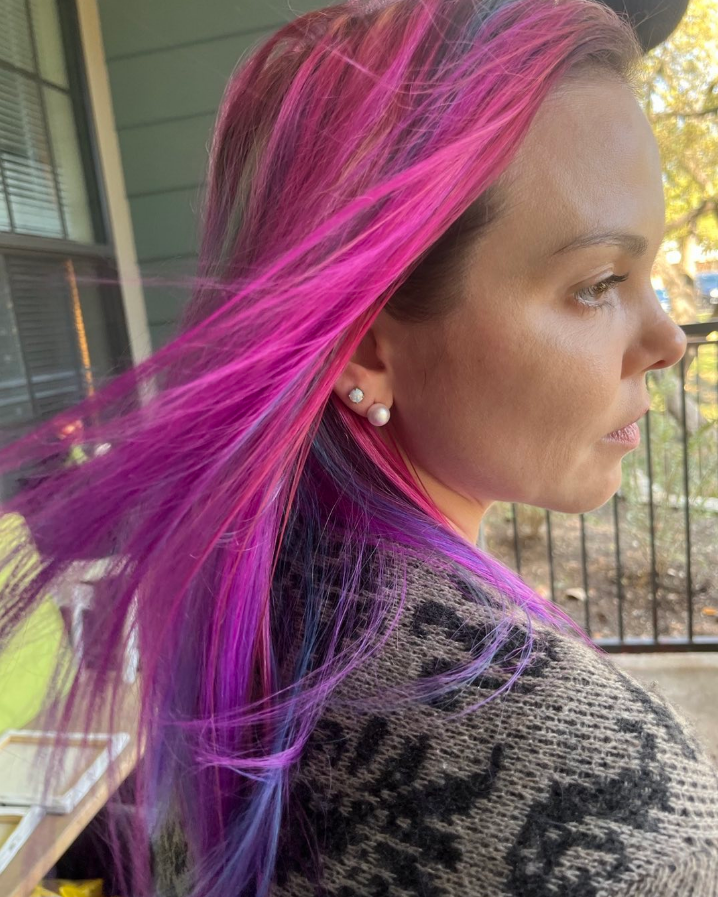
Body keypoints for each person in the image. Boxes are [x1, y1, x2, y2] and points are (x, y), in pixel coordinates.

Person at [0, 1, 716, 896]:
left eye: (651, 275)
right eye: (601, 282)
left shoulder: (248, 599)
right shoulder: (630, 820)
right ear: (372, 349)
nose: (668, 338)